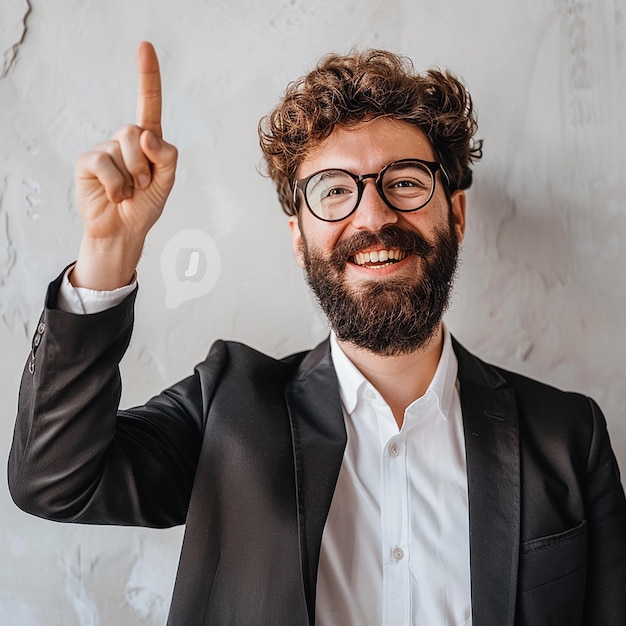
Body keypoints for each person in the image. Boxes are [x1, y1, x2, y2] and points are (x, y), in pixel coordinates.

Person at [8, 41, 626, 626]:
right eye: (334, 192)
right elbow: (55, 481)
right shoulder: (228, 408)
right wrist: (106, 254)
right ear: (300, 241)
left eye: (405, 182)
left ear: (456, 215)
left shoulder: (569, 437)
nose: (375, 215)